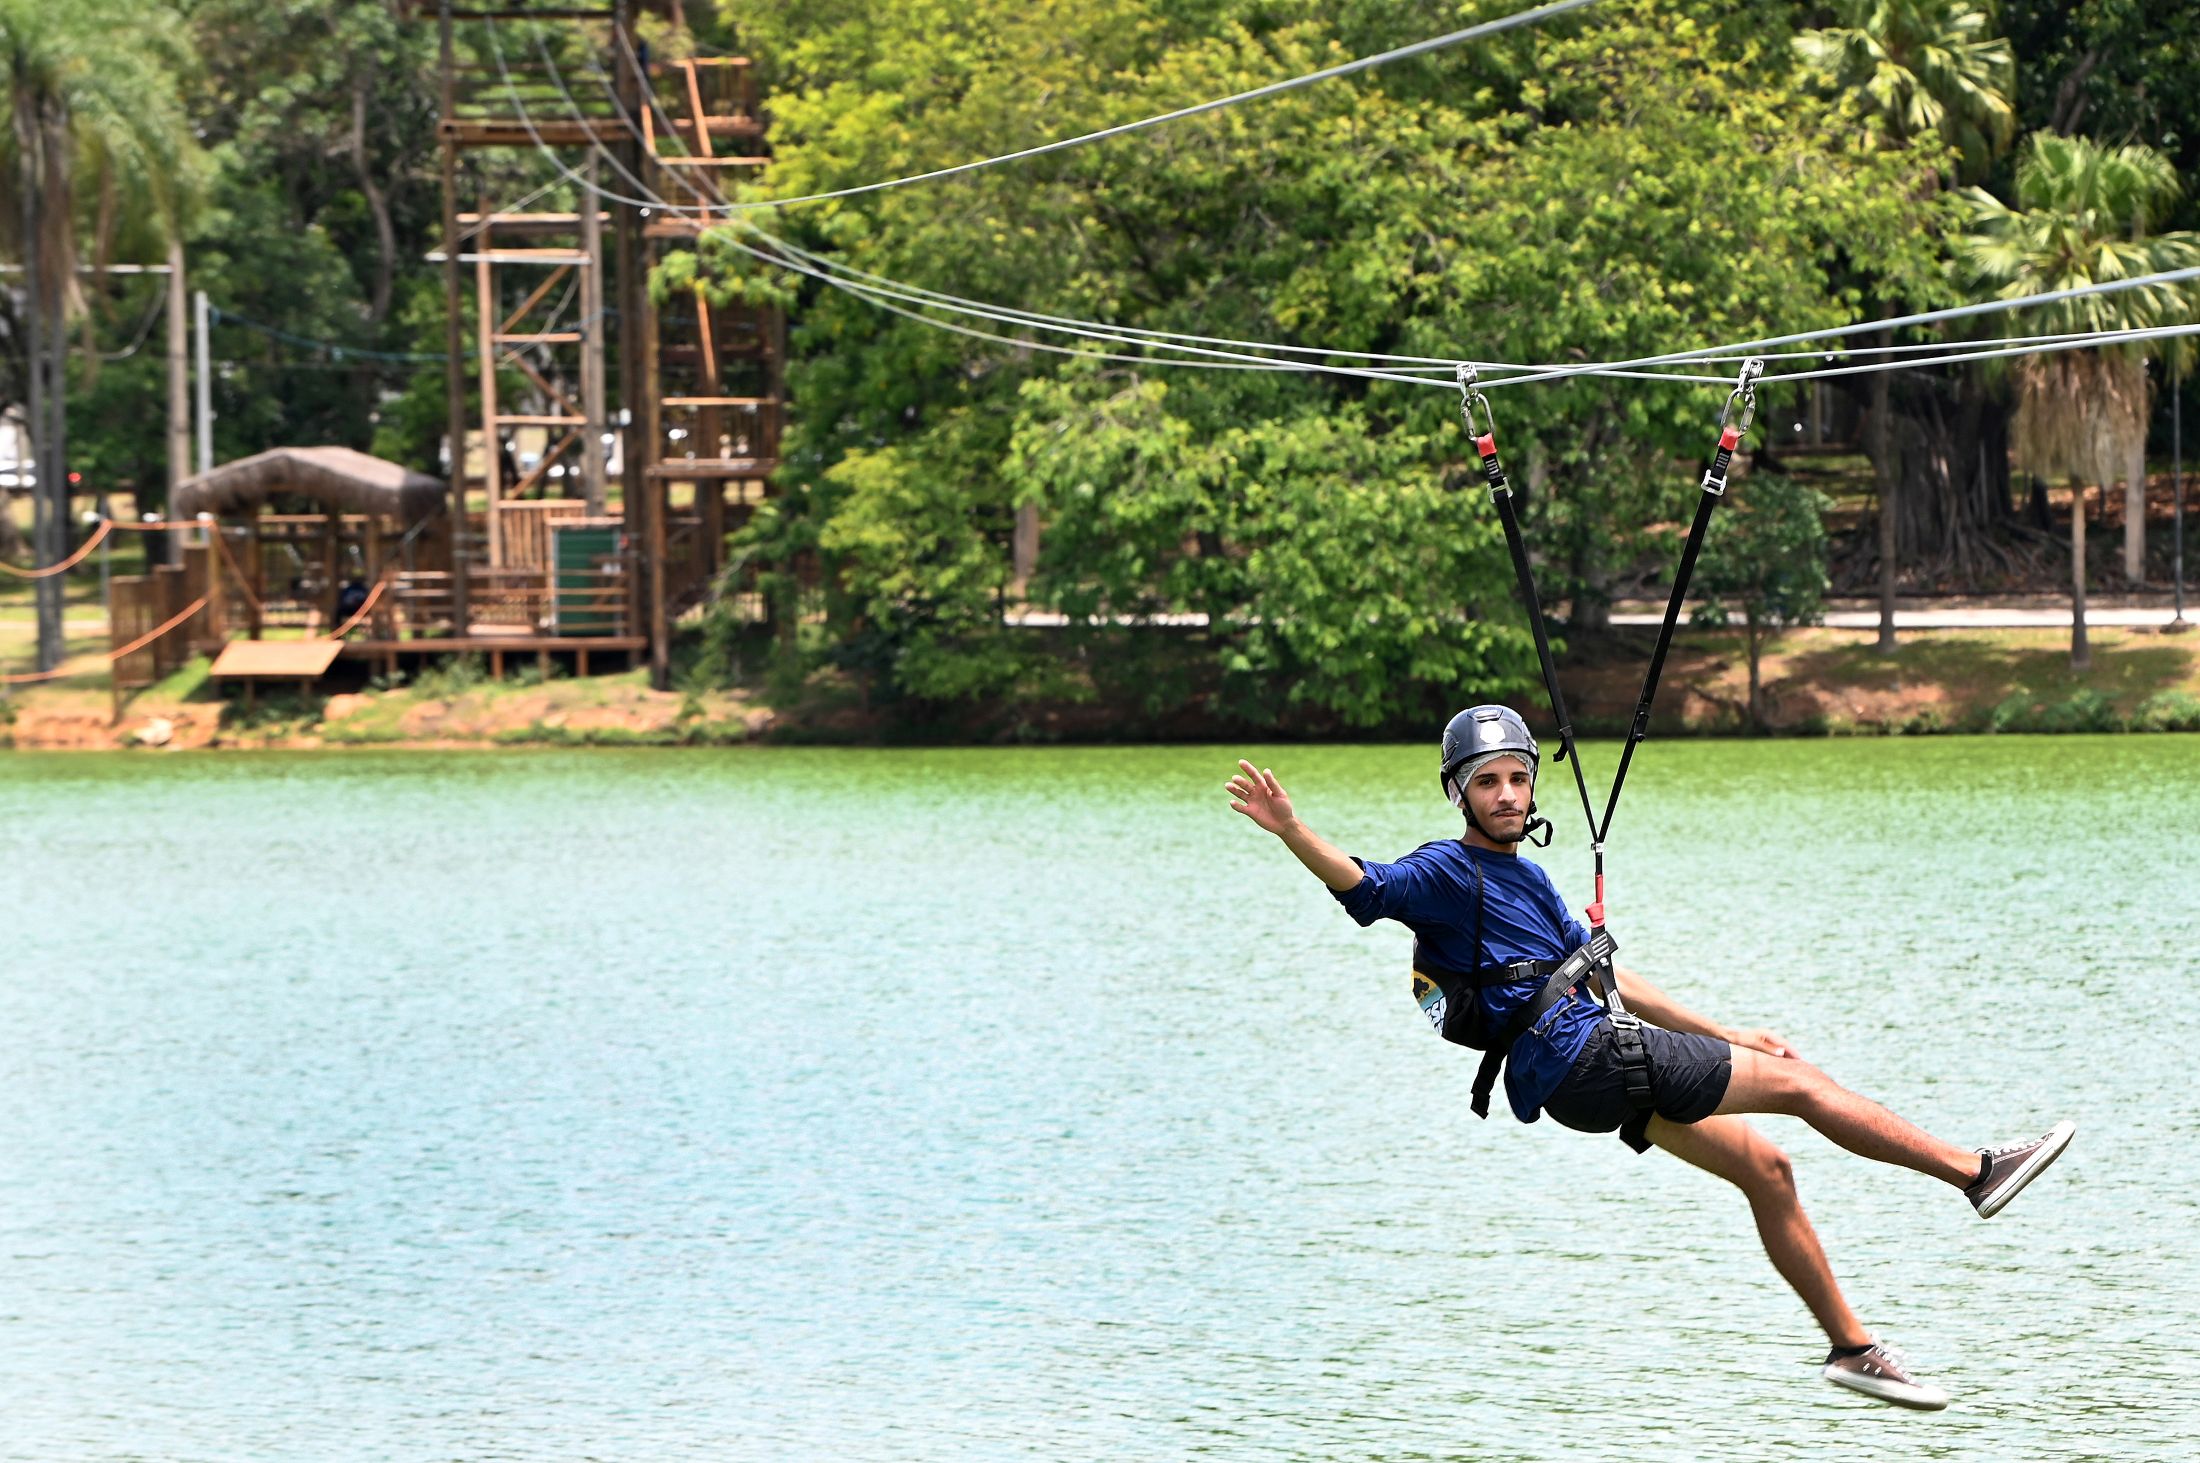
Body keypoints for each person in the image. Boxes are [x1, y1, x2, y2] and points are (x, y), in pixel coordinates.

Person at [1225, 705, 2075, 1411]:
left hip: (1582, 1072)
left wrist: (1728, 1033)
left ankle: (1851, 1348)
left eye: (1518, 775)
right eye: (1487, 781)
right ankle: (1975, 1171)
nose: (1508, 792)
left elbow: (1611, 975)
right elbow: (1366, 889)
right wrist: (1292, 827)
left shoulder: (1531, 882)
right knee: (1807, 1091)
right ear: (1458, 793)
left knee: (1768, 1167)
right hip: (1588, 1057)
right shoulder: (1447, 869)